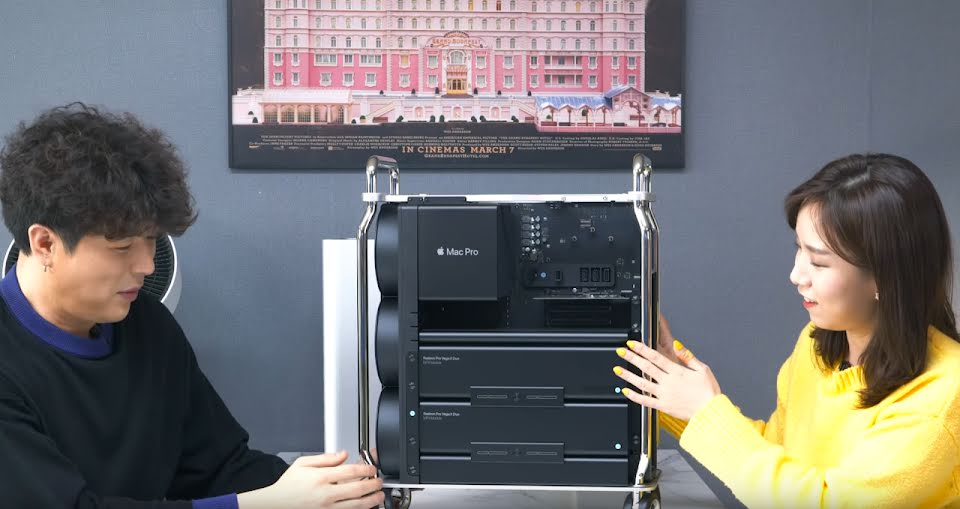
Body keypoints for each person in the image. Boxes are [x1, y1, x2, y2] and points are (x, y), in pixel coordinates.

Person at [0, 103, 383, 509]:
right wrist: (263, 504)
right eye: (123, 247)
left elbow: (220, 468)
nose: (147, 266)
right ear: (45, 243)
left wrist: (341, 485)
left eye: (151, 241)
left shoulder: (148, 326)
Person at [614, 153, 960, 508]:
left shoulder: (942, 396)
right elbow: (778, 461)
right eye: (799, 249)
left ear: (886, 278)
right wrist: (673, 387)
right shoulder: (817, 346)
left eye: (819, 262)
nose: (796, 275)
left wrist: (707, 412)